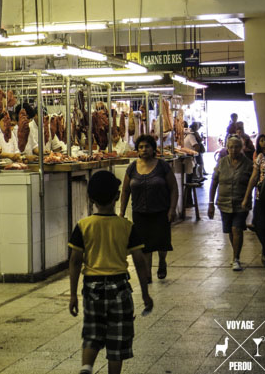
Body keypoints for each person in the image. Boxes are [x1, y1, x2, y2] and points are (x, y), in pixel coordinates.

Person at [69, 170, 153, 374]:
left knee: (92, 332)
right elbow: (140, 262)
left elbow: (75, 262)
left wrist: (73, 295)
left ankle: (86, 367)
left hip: (92, 287)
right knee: (118, 340)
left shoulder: (83, 226)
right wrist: (144, 292)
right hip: (120, 288)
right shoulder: (126, 226)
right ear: (117, 196)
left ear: (90, 198)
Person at [119, 134, 178, 282]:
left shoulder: (162, 166)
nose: (144, 150)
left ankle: (162, 262)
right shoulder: (132, 168)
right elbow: (125, 190)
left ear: (153, 149)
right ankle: (147, 274)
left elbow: (173, 188)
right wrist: (121, 211)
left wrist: (172, 209)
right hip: (140, 212)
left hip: (160, 211)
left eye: (147, 147)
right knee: (144, 245)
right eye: (141, 147)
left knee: (161, 242)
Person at [208, 136, 253, 271]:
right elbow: (214, 182)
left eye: (236, 147)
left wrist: (249, 199)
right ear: (227, 148)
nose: (233, 150)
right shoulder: (222, 163)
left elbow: (254, 183)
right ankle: (235, 255)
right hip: (224, 202)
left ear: (241, 148)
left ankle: (236, 258)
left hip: (241, 202)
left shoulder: (248, 164)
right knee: (230, 231)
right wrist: (210, 203)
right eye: (231, 147)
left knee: (237, 229)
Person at [242, 138, 265, 268]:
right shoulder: (261, 157)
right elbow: (254, 176)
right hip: (261, 196)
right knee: (259, 224)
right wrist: (247, 196)